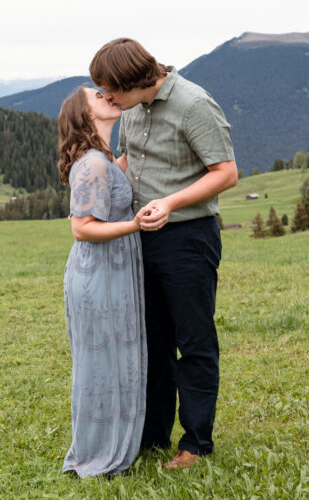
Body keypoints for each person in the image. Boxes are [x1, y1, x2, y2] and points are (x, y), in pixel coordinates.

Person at [89, 38, 237, 470]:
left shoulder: (194, 104)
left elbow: (226, 173)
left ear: (134, 81)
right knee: (151, 342)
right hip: (141, 237)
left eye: (112, 90)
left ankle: (196, 444)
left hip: (188, 238)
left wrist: (171, 203)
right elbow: (131, 159)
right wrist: (93, 178)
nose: (108, 99)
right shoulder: (132, 107)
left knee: (193, 342)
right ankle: (152, 436)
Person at [57, 86, 147, 478]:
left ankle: (112, 443)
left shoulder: (103, 160)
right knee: (102, 365)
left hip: (111, 272)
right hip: (98, 276)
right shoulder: (92, 163)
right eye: (97, 94)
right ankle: (98, 454)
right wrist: (135, 224)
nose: (108, 94)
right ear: (84, 113)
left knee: (111, 362)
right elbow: (82, 228)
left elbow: (119, 175)